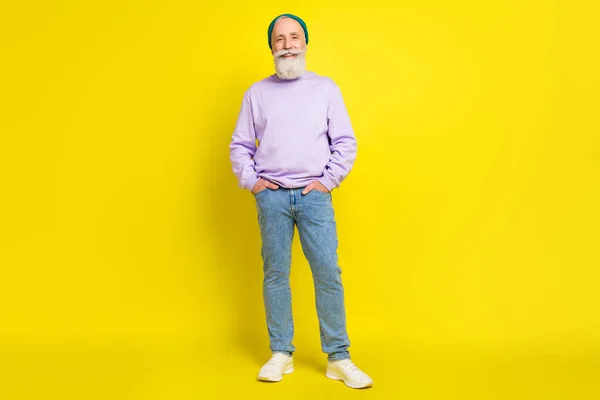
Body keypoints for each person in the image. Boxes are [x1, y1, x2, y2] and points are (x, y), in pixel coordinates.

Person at [229, 13, 373, 389]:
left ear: (305, 43)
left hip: (314, 197)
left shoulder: (326, 89)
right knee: (275, 275)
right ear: (272, 47)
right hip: (272, 196)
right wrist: (253, 183)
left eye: (295, 37)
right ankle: (281, 353)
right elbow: (240, 146)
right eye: (280, 39)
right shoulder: (256, 94)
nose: (288, 44)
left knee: (328, 272)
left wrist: (328, 181)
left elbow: (345, 142)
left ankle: (339, 357)